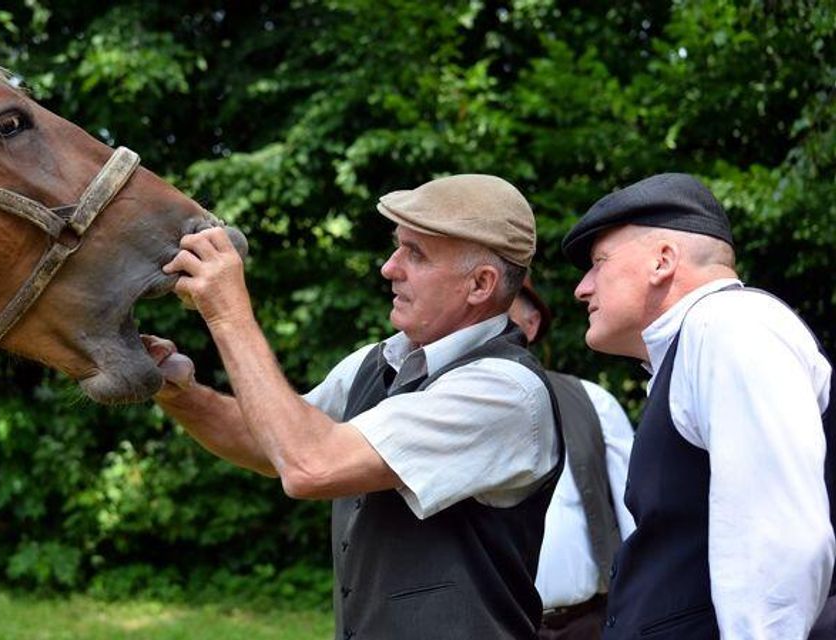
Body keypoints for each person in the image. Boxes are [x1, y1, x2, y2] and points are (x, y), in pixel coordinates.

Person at [144, 174, 563, 639]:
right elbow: (270, 444)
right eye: (397, 247)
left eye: (415, 254)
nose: (389, 267)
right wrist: (178, 391)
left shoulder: (503, 391)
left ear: (480, 284)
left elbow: (310, 465)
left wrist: (227, 311)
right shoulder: (379, 360)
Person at [560, 172, 835, 639]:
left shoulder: (730, 326)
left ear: (661, 261)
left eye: (598, 262)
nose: (581, 288)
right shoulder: (706, 339)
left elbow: (773, 539)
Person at [508, 278, 636, 640]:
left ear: (530, 325)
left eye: (502, 314)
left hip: (587, 627)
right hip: (490, 626)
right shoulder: (440, 408)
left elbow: (637, 522)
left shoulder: (592, 401)